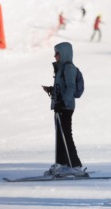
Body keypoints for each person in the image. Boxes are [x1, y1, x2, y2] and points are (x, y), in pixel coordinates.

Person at [42, 42, 85, 177]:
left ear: (64, 53)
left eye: (57, 53)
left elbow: (71, 88)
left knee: (66, 135)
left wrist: (63, 102)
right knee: (60, 135)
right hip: (60, 105)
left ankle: (76, 165)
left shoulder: (69, 68)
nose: (55, 56)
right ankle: (62, 164)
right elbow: (63, 87)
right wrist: (52, 90)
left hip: (66, 107)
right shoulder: (61, 68)